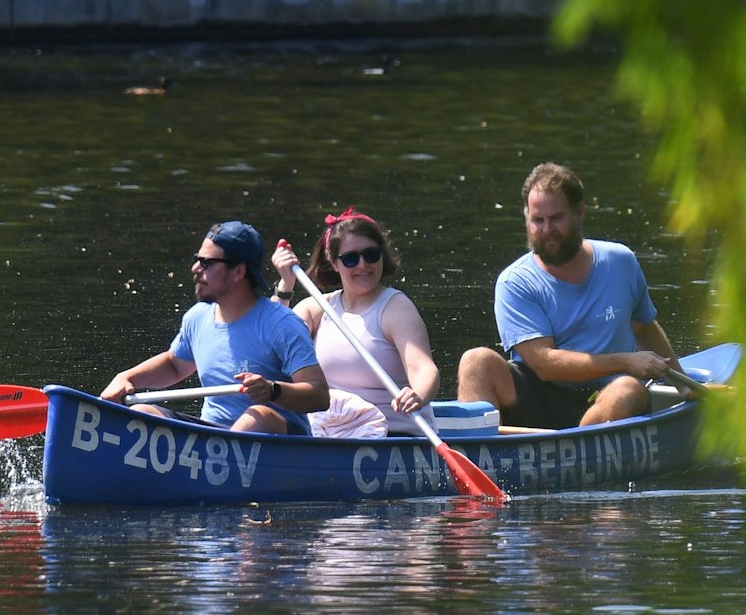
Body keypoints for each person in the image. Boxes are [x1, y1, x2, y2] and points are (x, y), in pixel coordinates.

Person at [457, 162, 680, 428]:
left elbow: (644, 327)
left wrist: (682, 382)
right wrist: (626, 361)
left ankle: (578, 445)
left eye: (556, 218)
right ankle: (473, 453)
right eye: (538, 220)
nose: (547, 229)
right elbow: (544, 364)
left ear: (579, 213)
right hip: (539, 396)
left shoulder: (621, 262)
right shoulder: (515, 282)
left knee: (628, 391)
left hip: (606, 395)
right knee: (475, 361)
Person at [100, 220, 328, 434]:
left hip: (280, 437)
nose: (195, 269)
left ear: (239, 271)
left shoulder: (281, 324)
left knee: (257, 415)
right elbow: (173, 365)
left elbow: (319, 395)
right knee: (142, 413)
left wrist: (273, 390)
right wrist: (126, 378)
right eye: (198, 260)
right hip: (212, 434)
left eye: (206, 263)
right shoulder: (197, 317)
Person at [269, 207, 439, 436]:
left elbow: (422, 367)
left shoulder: (396, 307)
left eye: (370, 255)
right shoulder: (315, 309)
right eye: (350, 258)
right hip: (330, 432)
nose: (362, 265)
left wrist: (418, 393)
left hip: (392, 434)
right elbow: (268, 348)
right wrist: (286, 284)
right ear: (333, 261)